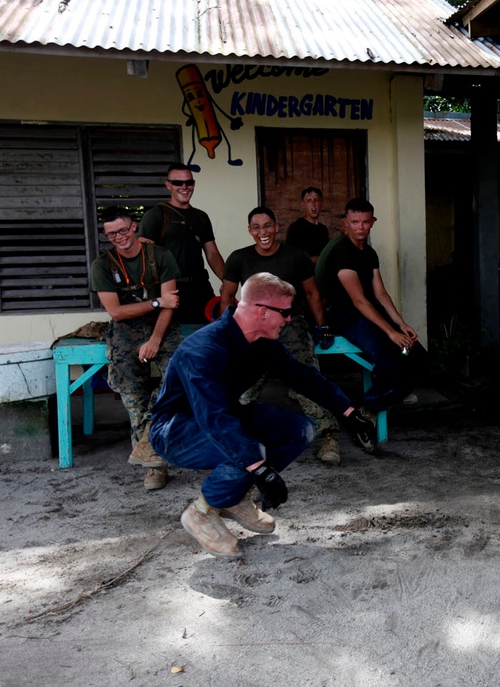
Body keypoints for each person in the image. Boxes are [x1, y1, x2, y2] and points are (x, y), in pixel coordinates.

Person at [149, 272, 377, 559]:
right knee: (248, 450)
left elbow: (304, 377)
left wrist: (350, 413)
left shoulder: (262, 344)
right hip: (175, 431)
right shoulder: (203, 349)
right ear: (261, 311)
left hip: (221, 417)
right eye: (286, 312)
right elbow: (215, 419)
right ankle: (202, 513)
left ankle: (234, 499)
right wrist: (259, 469)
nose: (290, 319)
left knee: (300, 430)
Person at [220, 207, 346, 465]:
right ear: (249, 231)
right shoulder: (239, 258)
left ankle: (329, 436)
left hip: (290, 324)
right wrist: (232, 332)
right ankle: (237, 442)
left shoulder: (295, 256)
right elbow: (226, 298)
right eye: (256, 227)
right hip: (254, 329)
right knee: (243, 388)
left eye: (267, 226)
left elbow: (312, 294)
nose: (262, 232)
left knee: (307, 379)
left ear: (277, 227)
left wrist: (321, 327)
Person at [89, 207, 182, 490]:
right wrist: (155, 302)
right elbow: (116, 312)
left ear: (134, 227)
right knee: (132, 395)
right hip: (124, 332)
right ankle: (155, 465)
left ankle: (153, 445)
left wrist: (154, 340)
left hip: (162, 327)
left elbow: (171, 304)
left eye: (123, 230)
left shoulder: (160, 256)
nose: (119, 237)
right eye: (112, 233)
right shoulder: (102, 265)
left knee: (180, 379)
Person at [315, 198, 427, 413]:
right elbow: (359, 301)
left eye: (365, 222)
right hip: (347, 318)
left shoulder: (369, 253)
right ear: (346, 222)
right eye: (355, 222)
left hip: (369, 314)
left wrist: (401, 325)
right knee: (390, 360)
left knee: (418, 358)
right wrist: (391, 333)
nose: (360, 227)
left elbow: (381, 294)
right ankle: (367, 411)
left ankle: (378, 401)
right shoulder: (342, 252)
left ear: (372, 222)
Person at [138, 163, 226, 324]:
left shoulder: (201, 217)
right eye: (178, 183)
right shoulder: (155, 215)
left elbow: (212, 254)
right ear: (168, 185)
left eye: (189, 182)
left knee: (208, 336)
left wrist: (227, 282)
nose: (184, 187)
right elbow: (144, 257)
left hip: (200, 289)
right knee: (172, 339)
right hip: (169, 290)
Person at [285, 186, 330, 263]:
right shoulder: (295, 228)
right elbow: (291, 258)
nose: (313, 204)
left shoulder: (323, 229)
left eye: (316, 200)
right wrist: (318, 259)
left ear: (321, 203)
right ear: (303, 205)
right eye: (309, 201)